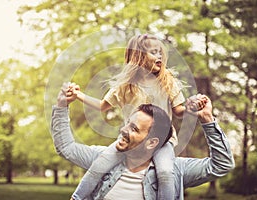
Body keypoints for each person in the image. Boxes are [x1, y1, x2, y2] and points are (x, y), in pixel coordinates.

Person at [66, 34, 207, 200]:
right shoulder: (125, 86)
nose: (159, 56)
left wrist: (191, 108)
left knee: (165, 173)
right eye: (153, 52)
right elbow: (102, 106)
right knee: (100, 164)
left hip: (161, 143)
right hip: (131, 142)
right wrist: (78, 95)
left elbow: (178, 111)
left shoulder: (167, 81)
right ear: (138, 55)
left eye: (160, 52)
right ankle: (76, 198)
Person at [51, 84, 235, 200]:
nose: (123, 130)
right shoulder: (103, 158)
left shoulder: (174, 171)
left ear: (151, 142)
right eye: (128, 124)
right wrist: (61, 105)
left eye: (134, 129)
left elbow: (222, 165)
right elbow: (66, 147)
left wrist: (207, 118)